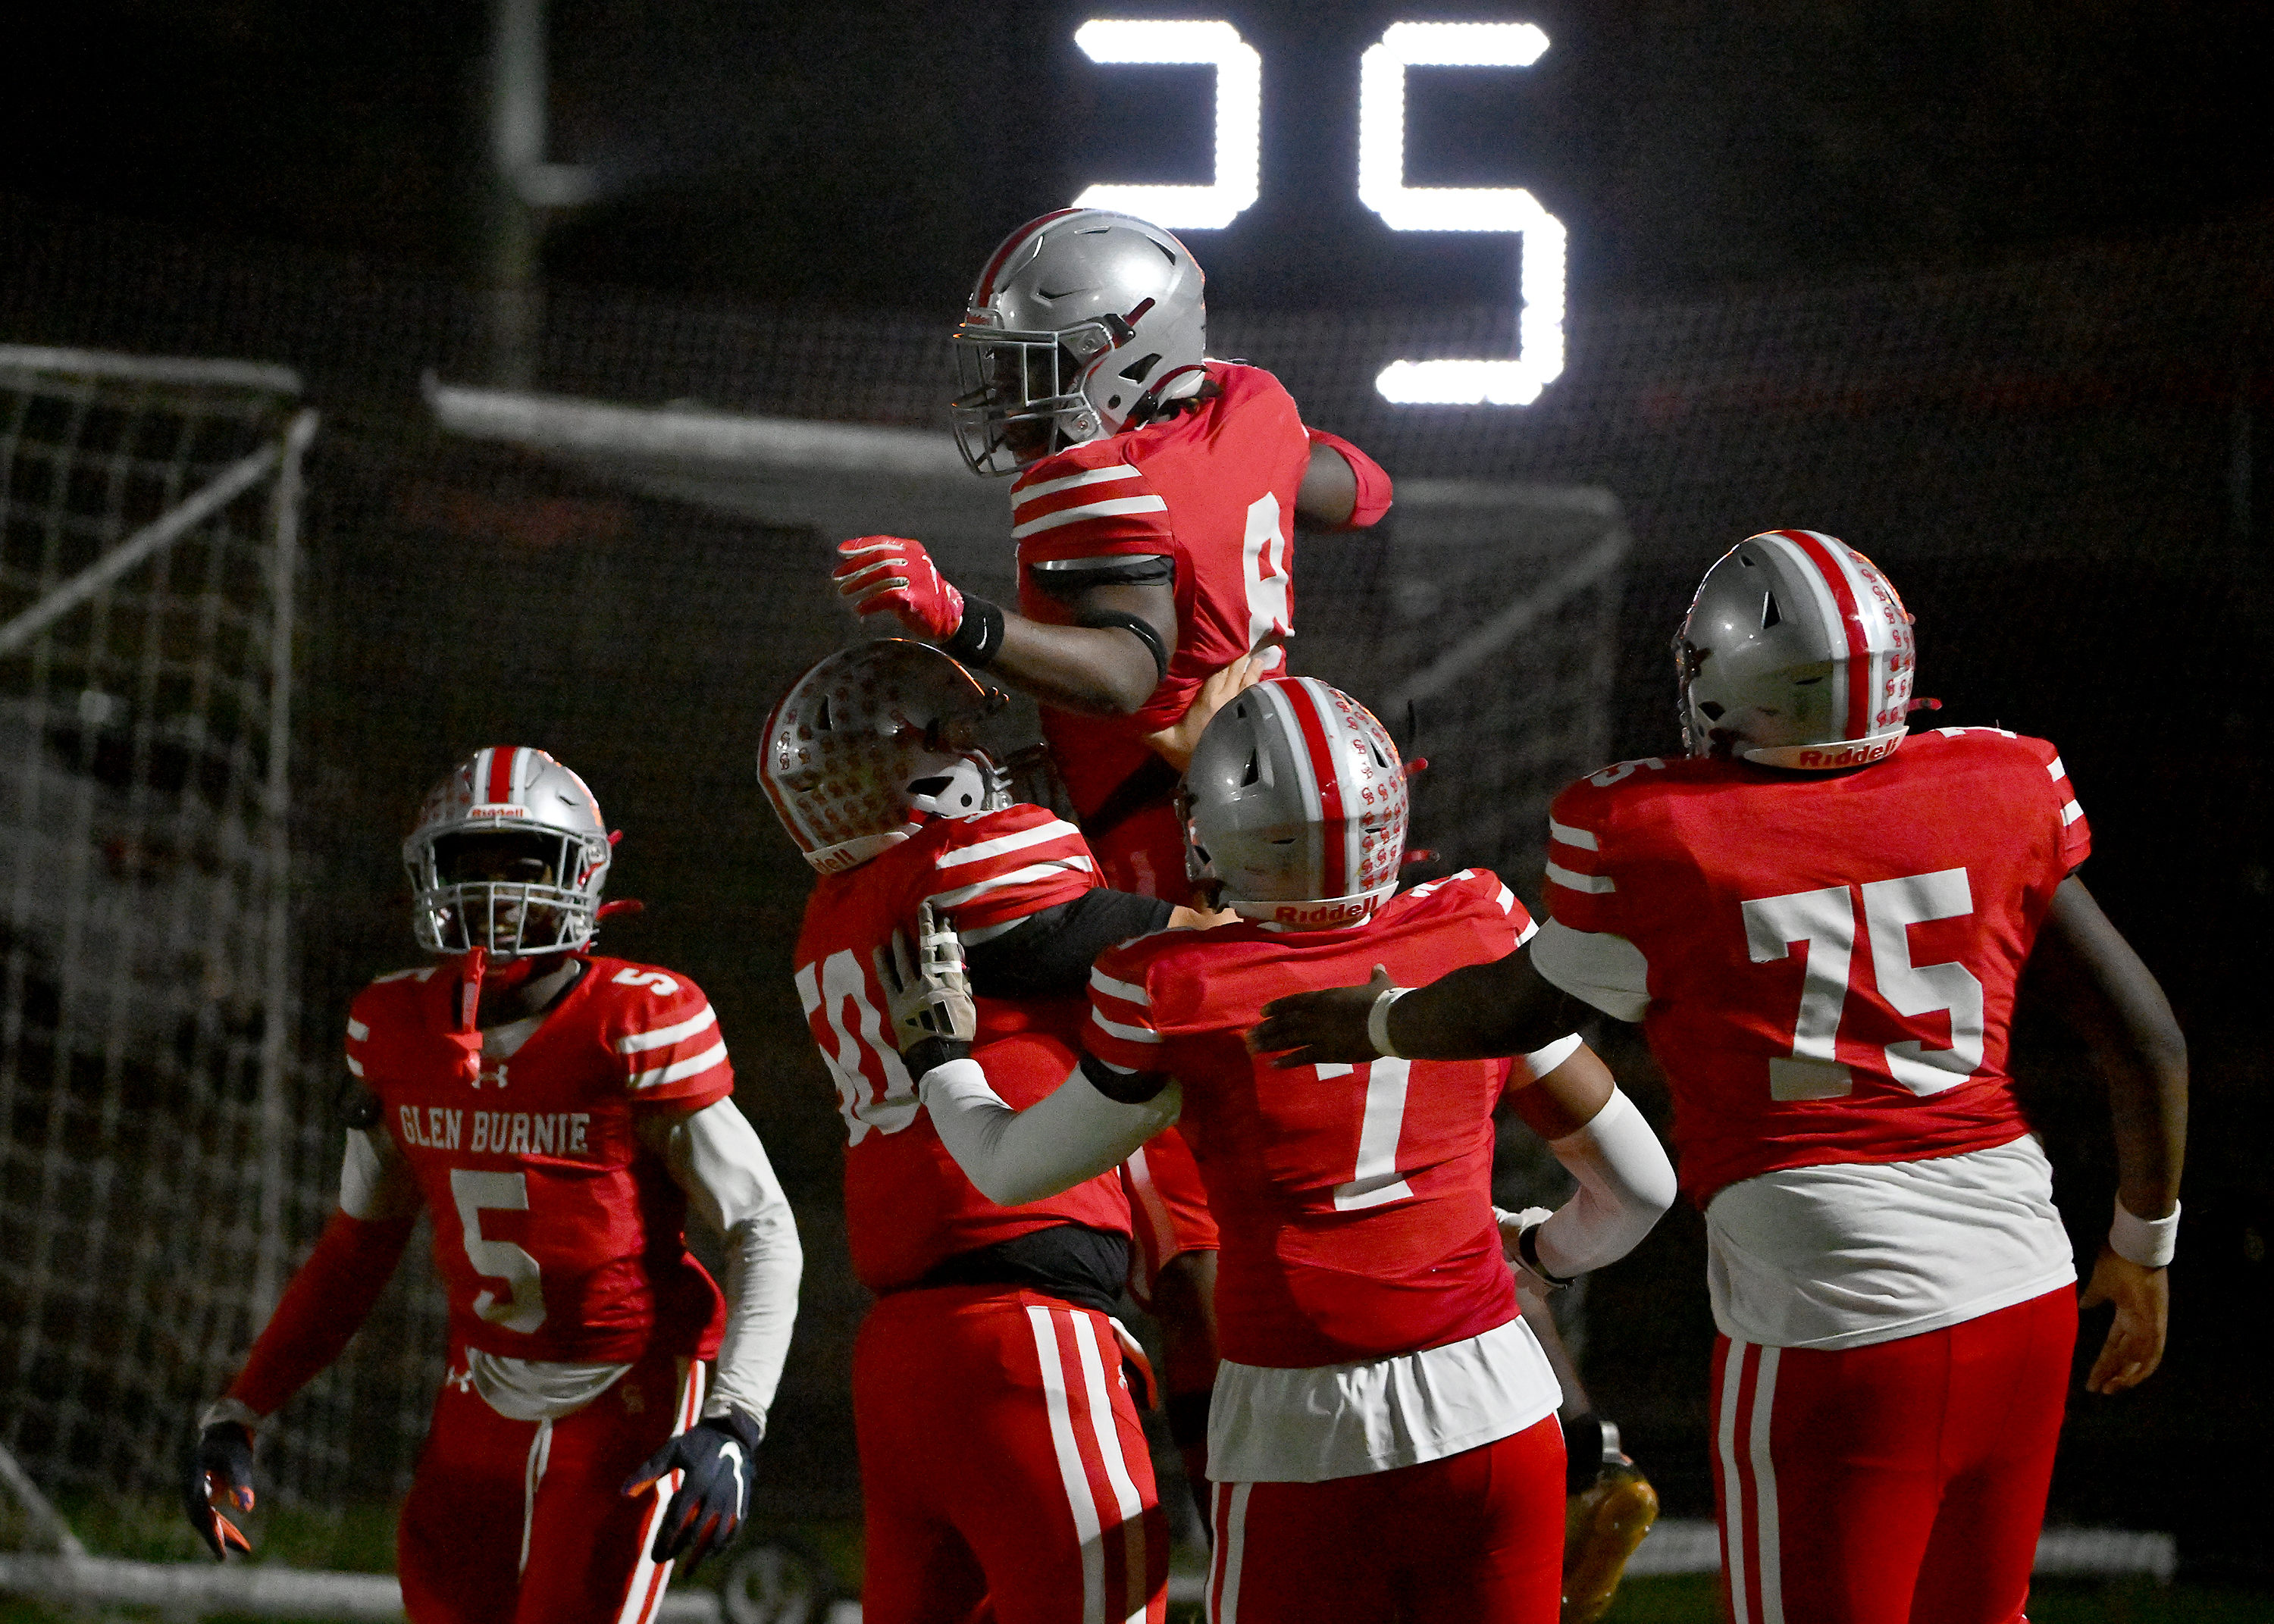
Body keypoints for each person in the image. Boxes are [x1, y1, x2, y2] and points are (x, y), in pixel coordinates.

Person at [1251, 531, 2190, 1624]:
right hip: (2023, 1288)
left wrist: (1377, 1021)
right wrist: (2145, 1249)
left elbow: (1525, 1001)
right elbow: (2148, 1036)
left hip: (1829, 1307)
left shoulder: (1660, 827)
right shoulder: (1997, 781)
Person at [875, 676, 1677, 1624]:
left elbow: (1011, 1167)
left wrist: (940, 1058)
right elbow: (1641, 1190)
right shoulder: (1475, 926)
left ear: (1216, 830)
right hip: (1496, 1411)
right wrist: (1540, 1251)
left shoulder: (1173, 989)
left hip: (1300, 1426)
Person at [829, 205, 1392, 1502]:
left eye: (1041, 365)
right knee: (1301, 1148)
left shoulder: (1086, 478)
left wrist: (961, 621)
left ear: (1128, 357)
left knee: (1185, 1200)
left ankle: (1245, 1480)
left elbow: (1128, 663)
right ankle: (1552, 1444)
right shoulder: (1248, 400)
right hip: (1277, 809)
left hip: (1163, 839)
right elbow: (1362, 488)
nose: (1011, 403)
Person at [184, 747, 803, 1624]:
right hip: (478, 1388)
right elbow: (355, 1245)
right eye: (469, 866)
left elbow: (763, 1227)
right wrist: (242, 1404)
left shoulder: (634, 1020)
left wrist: (737, 1419)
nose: (493, 893)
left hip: (625, 1388)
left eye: (524, 864)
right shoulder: (394, 1026)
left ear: (584, 873)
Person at [763, 640, 1251, 1623]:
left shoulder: (832, 915)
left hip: (901, 1353)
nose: (984, 756)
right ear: (904, 779)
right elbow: (1203, 960)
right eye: (951, 738)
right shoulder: (969, 862)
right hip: (1022, 1333)